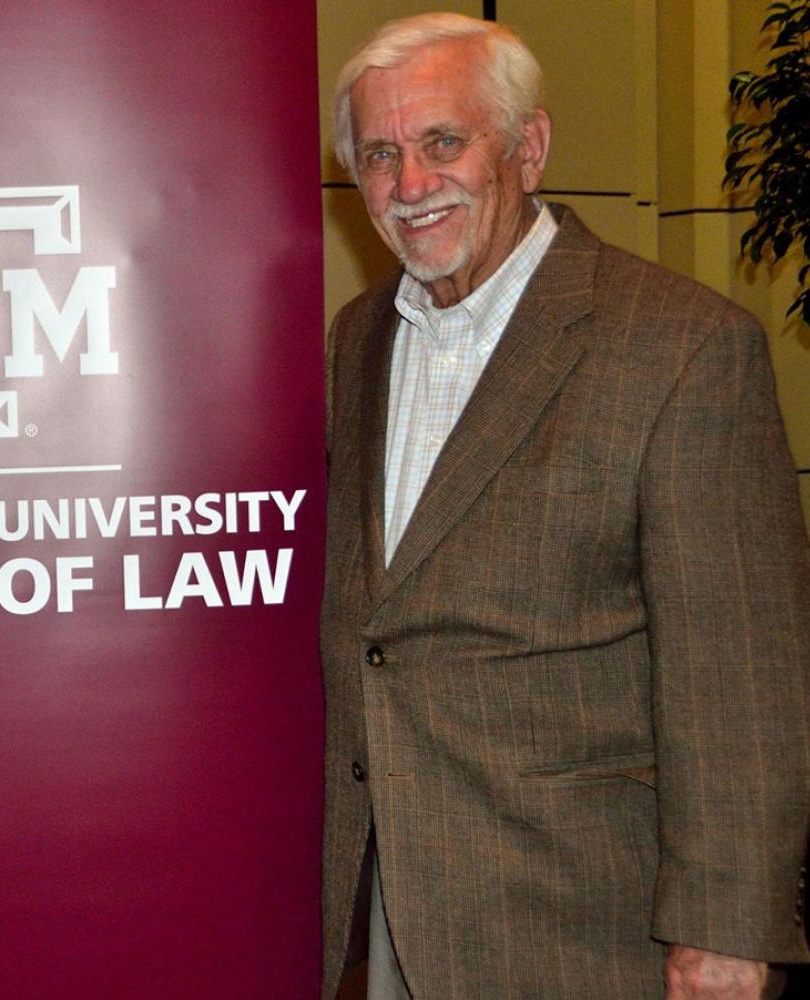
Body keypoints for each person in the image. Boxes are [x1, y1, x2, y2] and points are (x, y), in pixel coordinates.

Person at [321, 13, 810, 999]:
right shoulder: (356, 337)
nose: (411, 185)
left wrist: (722, 933)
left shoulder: (678, 349)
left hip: (586, 928)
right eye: (380, 155)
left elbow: (740, 680)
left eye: (441, 142)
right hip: (390, 914)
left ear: (528, 147)